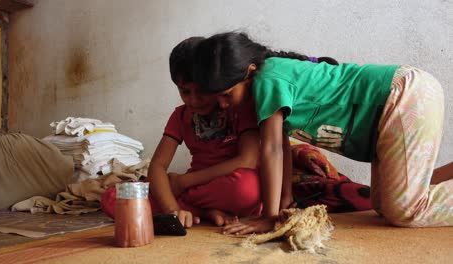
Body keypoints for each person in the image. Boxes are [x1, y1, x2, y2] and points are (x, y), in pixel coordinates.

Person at [191, 31, 453, 234]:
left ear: (248, 72)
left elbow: (269, 150)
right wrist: (286, 200)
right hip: (395, 105)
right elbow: (281, 147)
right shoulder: (265, 84)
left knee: (404, 211)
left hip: (403, 96)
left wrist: (270, 218)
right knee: (383, 204)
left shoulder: (267, 80)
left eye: (227, 95)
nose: (224, 105)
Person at [148, 36, 262, 228]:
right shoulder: (180, 116)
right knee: (117, 197)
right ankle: (204, 212)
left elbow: (248, 160)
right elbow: (157, 166)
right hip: (200, 190)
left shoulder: (238, 106)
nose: (194, 100)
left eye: (202, 91)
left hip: (227, 185)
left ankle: (196, 208)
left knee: (248, 189)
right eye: (185, 92)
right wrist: (171, 210)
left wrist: (184, 182)